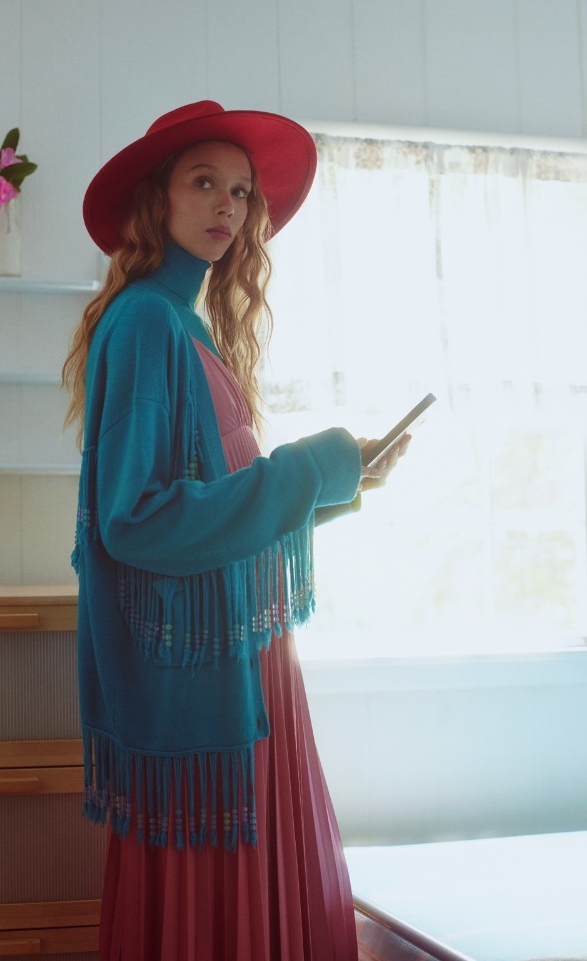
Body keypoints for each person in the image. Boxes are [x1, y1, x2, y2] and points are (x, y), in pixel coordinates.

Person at [62, 100, 409, 961]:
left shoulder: (185, 324)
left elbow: (218, 508)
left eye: (242, 191)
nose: (227, 204)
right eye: (204, 182)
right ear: (158, 198)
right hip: (209, 675)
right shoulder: (148, 320)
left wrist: (341, 481)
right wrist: (309, 466)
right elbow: (135, 522)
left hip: (240, 659)